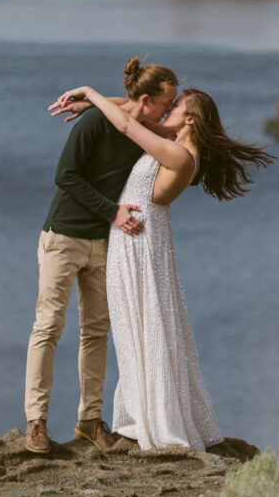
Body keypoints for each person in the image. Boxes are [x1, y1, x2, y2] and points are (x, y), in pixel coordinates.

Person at [51, 71, 275, 452]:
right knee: (133, 327)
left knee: (144, 325)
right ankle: (147, 412)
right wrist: (93, 105)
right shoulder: (173, 140)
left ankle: (158, 420)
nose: (167, 109)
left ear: (190, 119)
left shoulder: (178, 153)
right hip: (134, 239)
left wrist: (88, 89)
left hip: (139, 243)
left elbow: (125, 123)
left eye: (176, 107)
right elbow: (136, 110)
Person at [23, 58, 178, 454]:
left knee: (96, 331)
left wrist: (94, 98)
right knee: (49, 328)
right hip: (64, 236)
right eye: (166, 103)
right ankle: (36, 423)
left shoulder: (142, 128)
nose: (170, 110)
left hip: (106, 243)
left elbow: (132, 114)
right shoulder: (95, 124)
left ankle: (90, 421)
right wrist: (113, 211)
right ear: (146, 99)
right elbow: (66, 176)